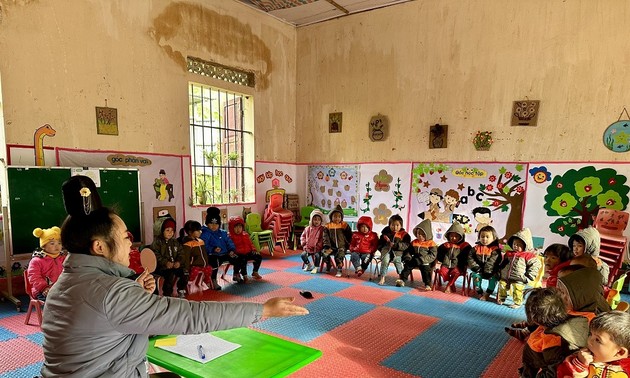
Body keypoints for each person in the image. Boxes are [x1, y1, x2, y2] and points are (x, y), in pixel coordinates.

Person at [40, 175, 308, 377]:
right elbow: (191, 316)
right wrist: (262, 310)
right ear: (99, 247)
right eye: (125, 237)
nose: (130, 245)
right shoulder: (112, 294)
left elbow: (102, 321)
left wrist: (136, 296)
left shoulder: (63, 285)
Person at [519, 287, 590, 378]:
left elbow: (554, 372)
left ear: (534, 320)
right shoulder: (582, 317)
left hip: (566, 367)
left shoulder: (551, 341)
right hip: (582, 359)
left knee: (531, 350)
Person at [557, 311, 630, 377]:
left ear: (620, 352)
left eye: (597, 340)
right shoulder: (578, 358)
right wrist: (579, 364)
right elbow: (562, 374)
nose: (589, 341)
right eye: (590, 334)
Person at [498, 228, 542, 308]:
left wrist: (529, 276)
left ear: (525, 245)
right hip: (506, 276)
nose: (515, 246)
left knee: (517, 289)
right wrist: (500, 271)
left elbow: (535, 265)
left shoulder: (528, 255)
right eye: (514, 244)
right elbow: (503, 263)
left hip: (519, 278)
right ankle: (502, 298)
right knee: (502, 285)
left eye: (518, 245)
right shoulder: (509, 253)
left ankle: (518, 302)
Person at [200, 206, 239, 290]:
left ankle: (236, 274)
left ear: (219, 224)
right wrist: (213, 249)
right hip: (212, 254)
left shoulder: (223, 233)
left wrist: (231, 250)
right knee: (214, 262)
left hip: (225, 253)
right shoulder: (205, 233)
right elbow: (203, 246)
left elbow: (229, 242)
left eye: (216, 224)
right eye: (211, 223)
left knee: (237, 258)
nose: (214, 226)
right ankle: (213, 280)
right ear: (207, 223)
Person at [150, 215, 187, 298]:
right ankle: (167, 294)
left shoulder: (175, 242)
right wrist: (165, 262)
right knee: (170, 275)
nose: (170, 232)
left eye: (172, 230)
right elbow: (155, 255)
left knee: (185, 272)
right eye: (167, 230)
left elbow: (181, 253)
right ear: (161, 231)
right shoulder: (157, 243)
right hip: (161, 267)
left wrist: (179, 262)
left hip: (174, 266)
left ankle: (181, 289)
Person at [27, 226, 65, 301]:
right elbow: (34, 277)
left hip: (61, 289)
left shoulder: (64, 258)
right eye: (52, 243)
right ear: (43, 246)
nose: (57, 246)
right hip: (42, 290)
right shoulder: (36, 261)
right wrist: (44, 288)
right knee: (56, 302)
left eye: (59, 243)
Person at [397, 219, 437, 289]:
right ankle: (402, 280)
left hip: (425, 260)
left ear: (427, 234)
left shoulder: (431, 243)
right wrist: (407, 257)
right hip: (415, 259)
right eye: (418, 234)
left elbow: (432, 255)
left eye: (422, 234)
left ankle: (427, 284)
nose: (420, 236)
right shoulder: (414, 242)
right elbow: (408, 251)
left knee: (426, 270)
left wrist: (422, 260)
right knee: (407, 266)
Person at [435, 221, 471, 293]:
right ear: (448, 236)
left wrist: (461, 264)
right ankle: (452, 284)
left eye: (456, 236)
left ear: (461, 236)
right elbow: (438, 254)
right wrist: (444, 259)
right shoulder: (445, 245)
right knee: (442, 271)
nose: (453, 238)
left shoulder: (465, 246)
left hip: (458, 266)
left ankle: (448, 285)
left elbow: (467, 257)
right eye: (451, 236)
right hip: (446, 264)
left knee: (456, 272)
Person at [468, 225, 502, 301]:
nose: (484, 239)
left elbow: (493, 261)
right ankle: (479, 292)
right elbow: (470, 258)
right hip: (479, 270)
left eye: (487, 237)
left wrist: (488, 271)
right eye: (482, 236)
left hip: (491, 271)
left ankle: (487, 294)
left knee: (493, 279)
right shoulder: (475, 248)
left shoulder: (495, 250)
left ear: (494, 238)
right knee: (476, 277)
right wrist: (475, 267)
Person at [377, 214, 410, 286]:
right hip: (386, 251)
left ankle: (401, 278)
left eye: (397, 225)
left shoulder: (404, 234)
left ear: (401, 225)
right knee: (385, 261)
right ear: (389, 225)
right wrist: (382, 249)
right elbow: (380, 243)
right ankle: (382, 277)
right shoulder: (385, 232)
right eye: (392, 225)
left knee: (397, 262)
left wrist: (396, 245)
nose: (395, 227)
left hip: (397, 252)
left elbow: (406, 245)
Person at [228, 216, 263, 282]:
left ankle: (255, 271)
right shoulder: (230, 236)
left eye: (240, 227)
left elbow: (250, 244)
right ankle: (245, 275)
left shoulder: (245, 235)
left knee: (258, 257)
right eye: (236, 227)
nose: (238, 229)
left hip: (248, 252)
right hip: (238, 254)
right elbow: (230, 247)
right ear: (231, 228)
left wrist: (254, 250)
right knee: (242, 260)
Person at [322, 205, 353, 278]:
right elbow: (325, 237)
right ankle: (329, 265)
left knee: (339, 256)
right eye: (335, 216)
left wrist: (348, 244)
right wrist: (327, 246)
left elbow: (350, 235)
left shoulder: (344, 225)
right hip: (331, 246)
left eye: (339, 217)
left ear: (341, 218)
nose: (337, 218)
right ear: (331, 217)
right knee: (324, 253)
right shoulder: (328, 226)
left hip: (341, 246)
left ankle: (339, 269)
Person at [181, 220, 213, 288]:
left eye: (200, 230)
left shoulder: (201, 241)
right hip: (194, 265)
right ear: (190, 232)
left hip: (203, 265)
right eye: (198, 230)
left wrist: (206, 263)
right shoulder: (187, 244)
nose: (200, 232)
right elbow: (186, 257)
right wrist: (186, 269)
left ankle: (205, 282)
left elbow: (204, 254)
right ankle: (189, 282)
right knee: (194, 271)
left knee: (209, 269)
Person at [300, 209, 326, 274]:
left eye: (318, 220)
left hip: (317, 249)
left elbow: (322, 239)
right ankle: (308, 265)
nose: (316, 221)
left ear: (321, 221)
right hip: (308, 248)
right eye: (315, 219)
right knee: (303, 255)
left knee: (317, 256)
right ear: (311, 220)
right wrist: (304, 244)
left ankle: (316, 267)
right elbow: (302, 237)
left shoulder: (322, 229)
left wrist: (318, 246)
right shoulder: (307, 228)